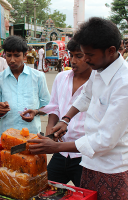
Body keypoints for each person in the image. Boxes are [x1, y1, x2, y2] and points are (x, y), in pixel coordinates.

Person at [28, 17, 128, 200]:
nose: (86, 60)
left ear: (111, 51)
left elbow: (105, 140)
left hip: (111, 168)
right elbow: (86, 95)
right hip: (90, 162)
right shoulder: (100, 67)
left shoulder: (126, 84)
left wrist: (56, 147)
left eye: (89, 55)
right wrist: (66, 119)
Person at [39, 39, 92, 187]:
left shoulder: (97, 83)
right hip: (61, 152)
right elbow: (54, 106)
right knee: (44, 190)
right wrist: (50, 125)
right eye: (71, 55)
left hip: (84, 156)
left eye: (79, 56)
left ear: (89, 56)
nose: (73, 61)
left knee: (85, 195)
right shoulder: (61, 77)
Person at [0, 36, 50, 136]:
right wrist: (0, 111)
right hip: (7, 135)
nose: (12, 60)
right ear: (4, 55)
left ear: (25, 55)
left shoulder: (38, 77)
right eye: (9, 55)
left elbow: (48, 106)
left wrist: (36, 112)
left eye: (17, 55)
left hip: (32, 135)